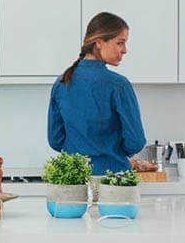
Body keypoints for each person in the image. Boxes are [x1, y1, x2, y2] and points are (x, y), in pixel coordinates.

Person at [47, 11, 147, 175]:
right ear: (99, 42)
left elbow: (55, 140)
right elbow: (135, 141)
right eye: (120, 43)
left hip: (73, 180)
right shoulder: (118, 85)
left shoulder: (61, 83)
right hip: (113, 178)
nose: (125, 50)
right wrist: (111, 151)